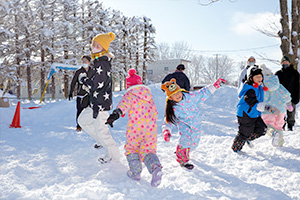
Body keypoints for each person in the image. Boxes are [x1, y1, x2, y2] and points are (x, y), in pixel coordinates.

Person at [105, 76, 162, 187]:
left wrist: (115, 114)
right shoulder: (149, 97)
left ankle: (135, 173)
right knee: (148, 151)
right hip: (151, 128)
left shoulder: (130, 95)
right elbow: (155, 113)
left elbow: (123, 106)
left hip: (135, 128)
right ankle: (155, 168)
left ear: (129, 85)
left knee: (132, 149)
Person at [161, 78, 226, 169]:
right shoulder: (173, 108)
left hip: (196, 125)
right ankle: (182, 159)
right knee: (185, 140)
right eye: (174, 94)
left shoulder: (190, 97)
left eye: (178, 92)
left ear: (181, 90)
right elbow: (169, 120)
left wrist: (215, 86)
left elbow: (202, 93)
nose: (177, 95)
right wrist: (166, 131)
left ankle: (183, 151)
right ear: (170, 98)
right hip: (184, 125)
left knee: (194, 144)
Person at [78, 32, 120, 164]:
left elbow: (97, 84)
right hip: (95, 102)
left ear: (104, 48)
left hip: (101, 103)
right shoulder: (98, 62)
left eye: (98, 45)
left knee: (103, 131)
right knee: (82, 120)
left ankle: (114, 157)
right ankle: (100, 141)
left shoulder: (103, 63)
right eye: (94, 45)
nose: (95, 47)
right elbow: (97, 81)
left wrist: (85, 80)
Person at [232, 66, 277, 152]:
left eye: (260, 76)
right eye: (256, 77)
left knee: (261, 129)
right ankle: (236, 149)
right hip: (245, 114)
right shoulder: (249, 89)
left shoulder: (259, 88)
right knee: (245, 132)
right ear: (251, 78)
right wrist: (267, 107)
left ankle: (247, 139)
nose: (259, 78)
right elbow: (253, 102)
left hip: (254, 113)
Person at [259, 65, 292, 147]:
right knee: (279, 126)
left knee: (267, 125)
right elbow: (286, 94)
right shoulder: (278, 84)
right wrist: (289, 104)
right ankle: (279, 142)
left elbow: (258, 97)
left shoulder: (261, 86)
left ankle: (274, 134)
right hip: (281, 110)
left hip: (268, 110)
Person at [69, 55, 94, 132]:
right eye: (83, 61)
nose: (84, 63)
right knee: (80, 110)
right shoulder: (78, 72)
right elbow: (73, 83)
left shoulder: (93, 71)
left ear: (89, 62)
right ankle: (79, 126)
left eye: (85, 61)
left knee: (90, 111)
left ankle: (89, 125)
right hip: (80, 95)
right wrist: (71, 92)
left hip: (90, 95)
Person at [275, 56, 300, 131]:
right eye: (283, 62)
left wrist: (296, 97)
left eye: (286, 62)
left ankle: (290, 126)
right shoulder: (278, 74)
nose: (285, 63)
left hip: (291, 96)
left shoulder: (295, 73)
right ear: (281, 63)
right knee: (280, 113)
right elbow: (274, 86)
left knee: (291, 112)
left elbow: (298, 86)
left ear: (289, 63)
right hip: (280, 97)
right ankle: (281, 126)